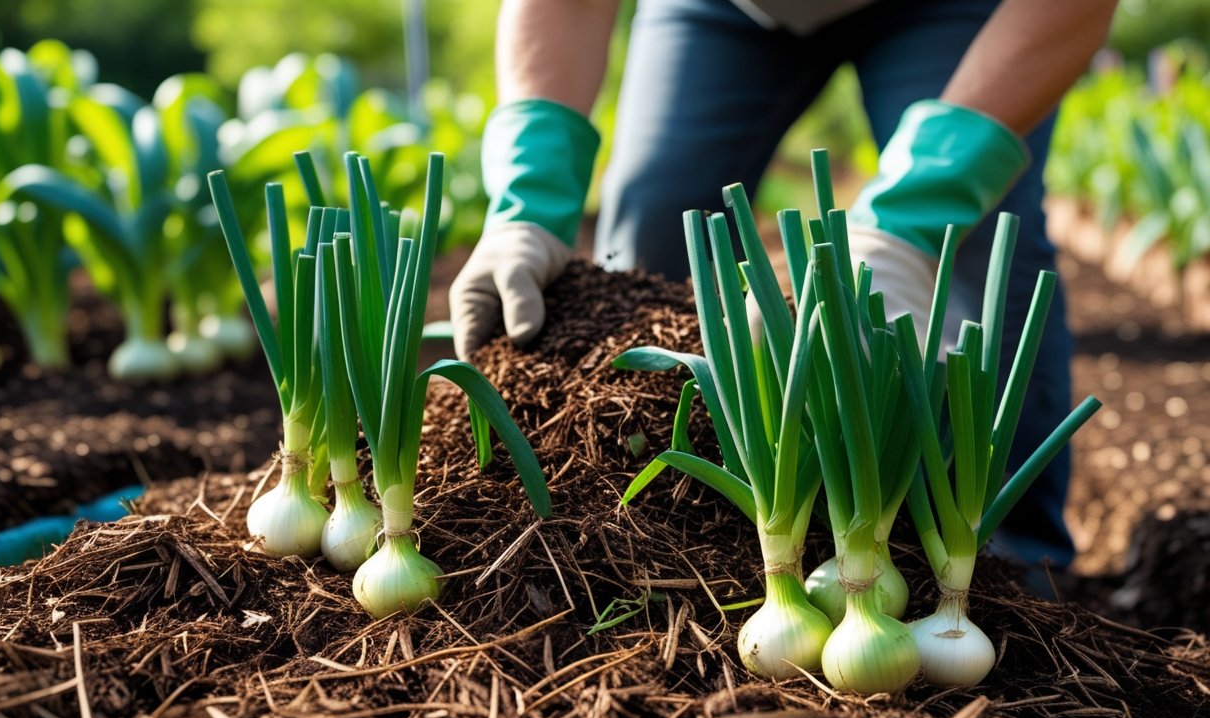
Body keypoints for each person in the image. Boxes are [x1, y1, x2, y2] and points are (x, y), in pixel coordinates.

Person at [449, 0, 1119, 584]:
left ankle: (1011, 562)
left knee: (983, 255)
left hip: (950, 8)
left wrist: (912, 219)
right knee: (650, 231)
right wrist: (529, 201)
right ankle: (654, 535)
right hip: (729, 8)